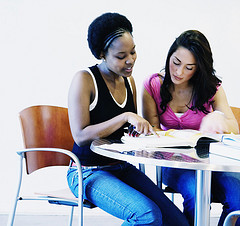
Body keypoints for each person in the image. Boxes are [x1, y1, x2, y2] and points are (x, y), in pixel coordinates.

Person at [67, 12, 189, 226]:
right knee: (147, 216)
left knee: (177, 221)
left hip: (120, 166)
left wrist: (145, 132)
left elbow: (128, 131)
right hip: (86, 172)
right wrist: (124, 117)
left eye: (133, 52)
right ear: (102, 54)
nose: (130, 60)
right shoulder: (85, 80)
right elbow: (80, 136)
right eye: (121, 56)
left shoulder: (128, 81)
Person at [142, 29, 240, 226]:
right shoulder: (153, 85)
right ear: (170, 55)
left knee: (238, 198)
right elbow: (151, 132)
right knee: (196, 194)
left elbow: (233, 128)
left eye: (189, 67)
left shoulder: (211, 88)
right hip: (174, 162)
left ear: (199, 68)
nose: (179, 72)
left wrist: (217, 117)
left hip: (210, 162)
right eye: (176, 62)